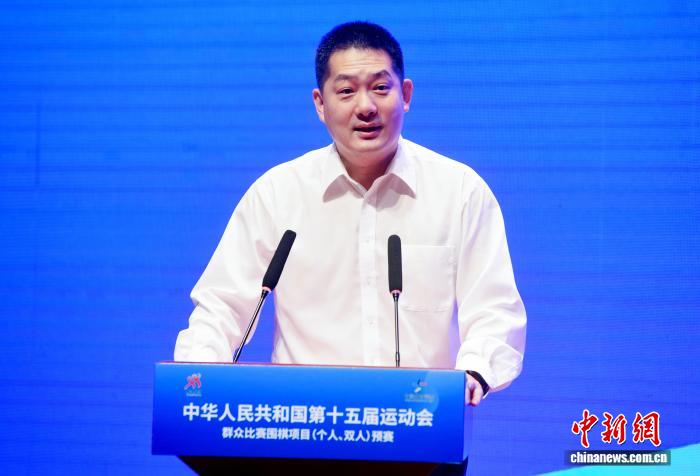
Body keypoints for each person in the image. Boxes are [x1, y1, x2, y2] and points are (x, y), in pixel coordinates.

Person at [174, 21, 526, 408]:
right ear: (320, 104)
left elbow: (494, 309)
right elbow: (222, 306)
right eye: (346, 91)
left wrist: (475, 372)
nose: (365, 107)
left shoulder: (459, 192)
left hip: (422, 419)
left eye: (380, 87)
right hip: (304, 422)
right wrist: (195, 380)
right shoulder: (277, 195)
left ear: (405, 95)